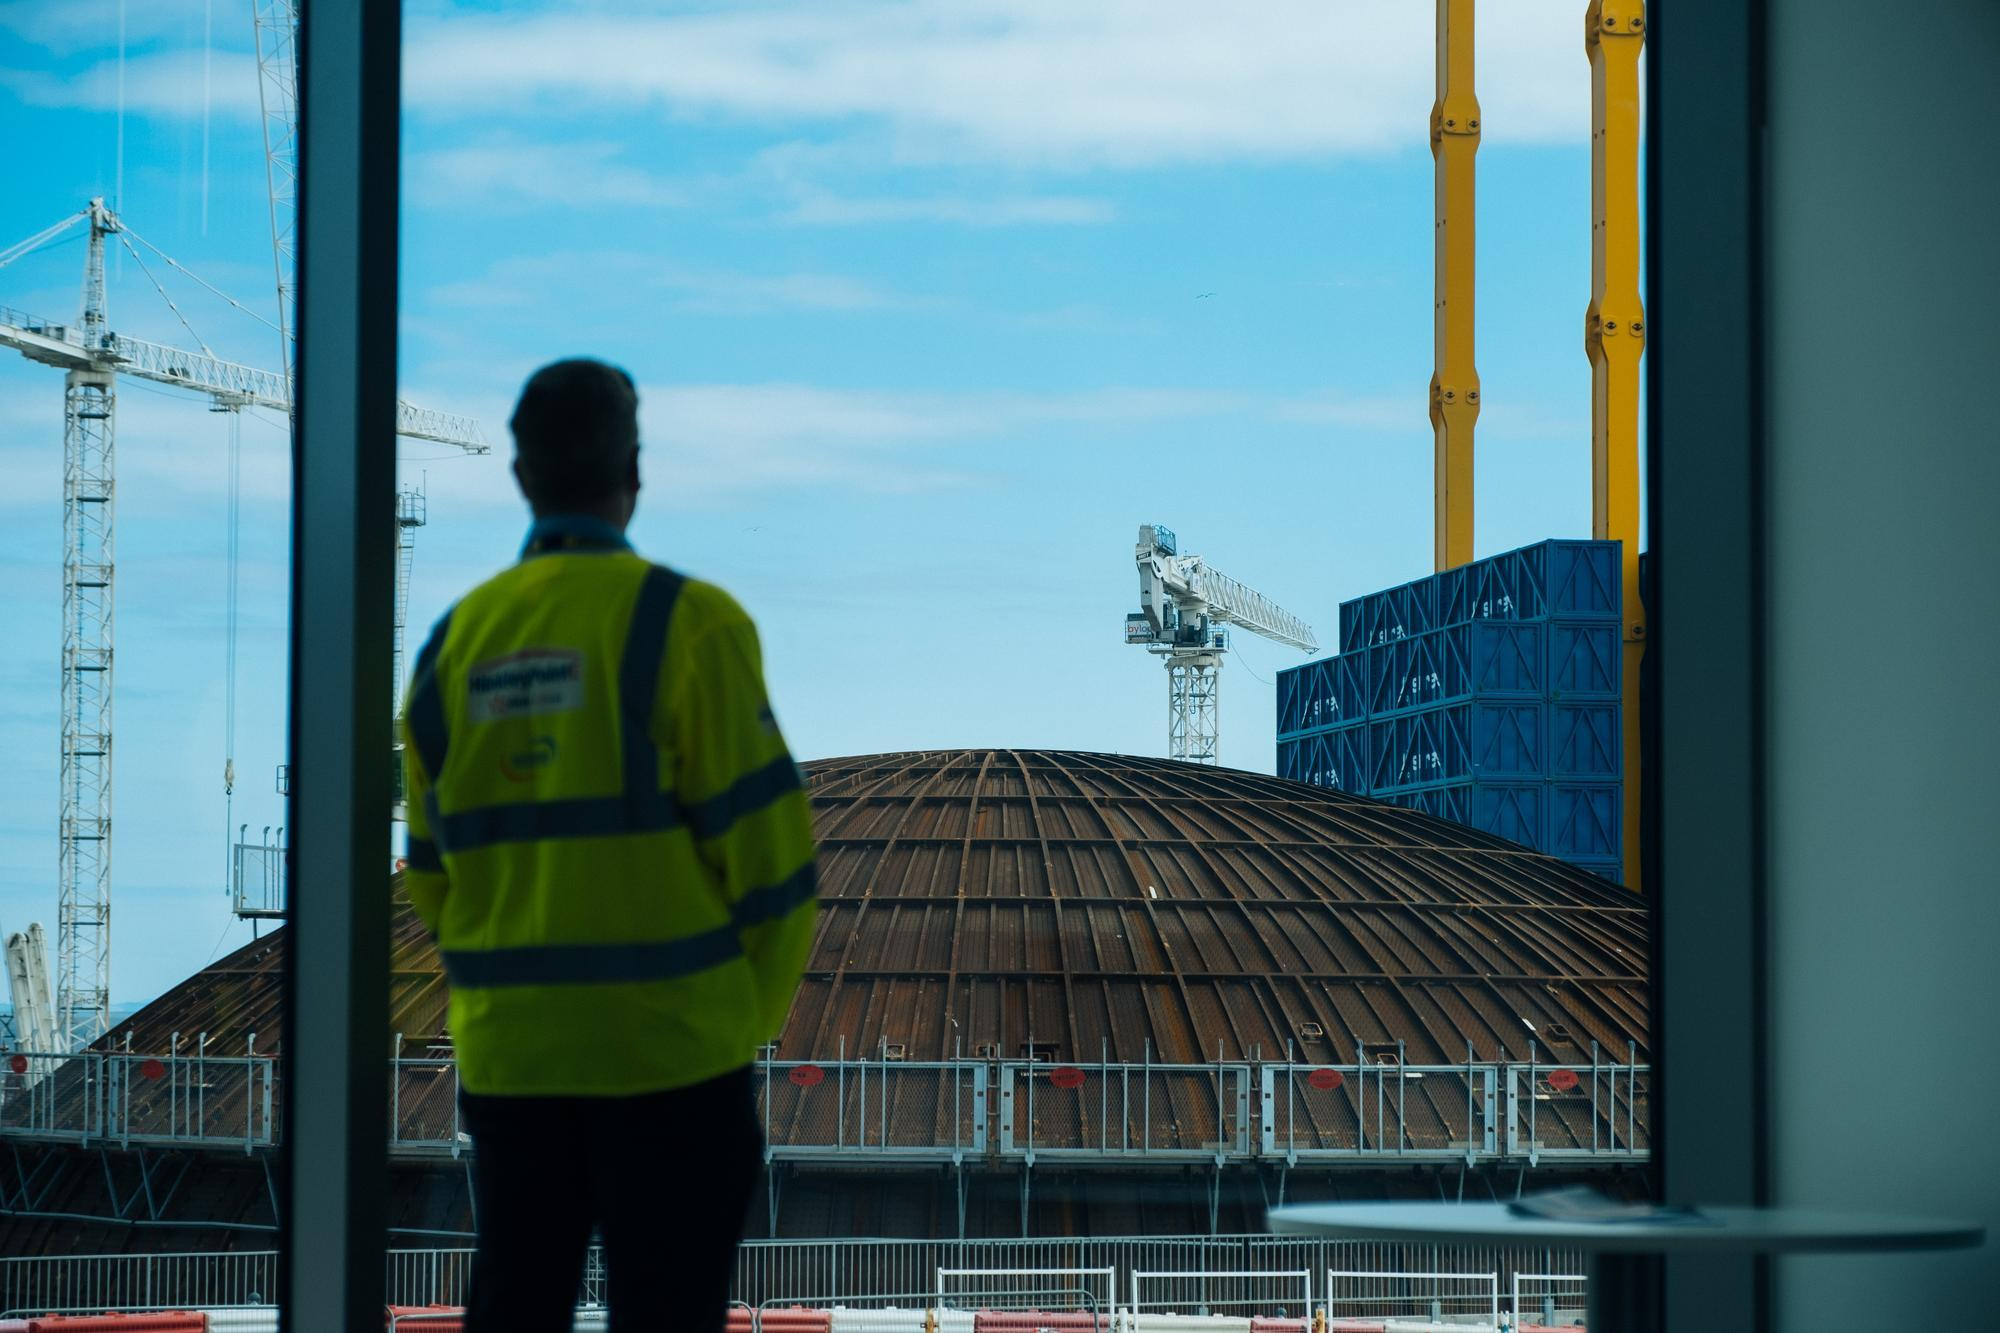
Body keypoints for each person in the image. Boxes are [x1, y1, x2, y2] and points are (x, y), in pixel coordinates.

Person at [400, 358, 818, 1332]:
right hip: (673, 1064)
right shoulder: (689, 627)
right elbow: (776, 871)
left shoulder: (452, 648)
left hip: (514, 1068)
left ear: (520, 475)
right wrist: (731, 1018)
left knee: (515, 1304)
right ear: (634, 470)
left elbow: (430, 876)